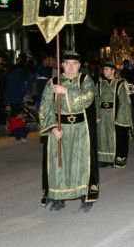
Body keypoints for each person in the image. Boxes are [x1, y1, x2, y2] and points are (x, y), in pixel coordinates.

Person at [38, 51, 98, 212]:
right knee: (59, 163)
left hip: (81, 130)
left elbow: (88, 98)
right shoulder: (53, 82)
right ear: (62, 64)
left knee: (81, 162)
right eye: (68, 63)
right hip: (59, 129)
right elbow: (45, 107)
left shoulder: (86, 80)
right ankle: (58, 197)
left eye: (75, 64)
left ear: (79, 66)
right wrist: (52, 128)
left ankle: (85, 196)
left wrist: (66, 92)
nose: (71, 67)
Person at [96, 61, 132, 168]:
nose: (105, 71)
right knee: (103, 137)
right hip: (103, 114)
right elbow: (96, 100)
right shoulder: (100, 83)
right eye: (104, 69)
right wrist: (97, 115)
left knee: (115, 137)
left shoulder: (120, 84)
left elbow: (124, 102)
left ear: (113, 71)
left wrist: (119, 119)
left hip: (114, 114)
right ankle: (103, 159)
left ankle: (114, 158)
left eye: (107, 69)